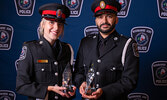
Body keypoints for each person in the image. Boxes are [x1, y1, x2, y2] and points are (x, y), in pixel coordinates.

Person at [74, 0, 140, 100]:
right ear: (95, 20)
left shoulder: (127, 44)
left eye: (109, 16)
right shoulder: (85, 42)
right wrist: (82, 83)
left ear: (116, 19)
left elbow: (130, 81)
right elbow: (78, 72)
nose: (104, 21)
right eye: (100, 17)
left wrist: (103, 92)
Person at [16, 3, 76, 100]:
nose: (56, 28)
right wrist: (48, 89)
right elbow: (21, 86)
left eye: (60, 24)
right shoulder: (31, 49)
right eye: (51, 22)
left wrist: (70, 91)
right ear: (42, 24)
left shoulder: (67, 49)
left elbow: (68, 80)